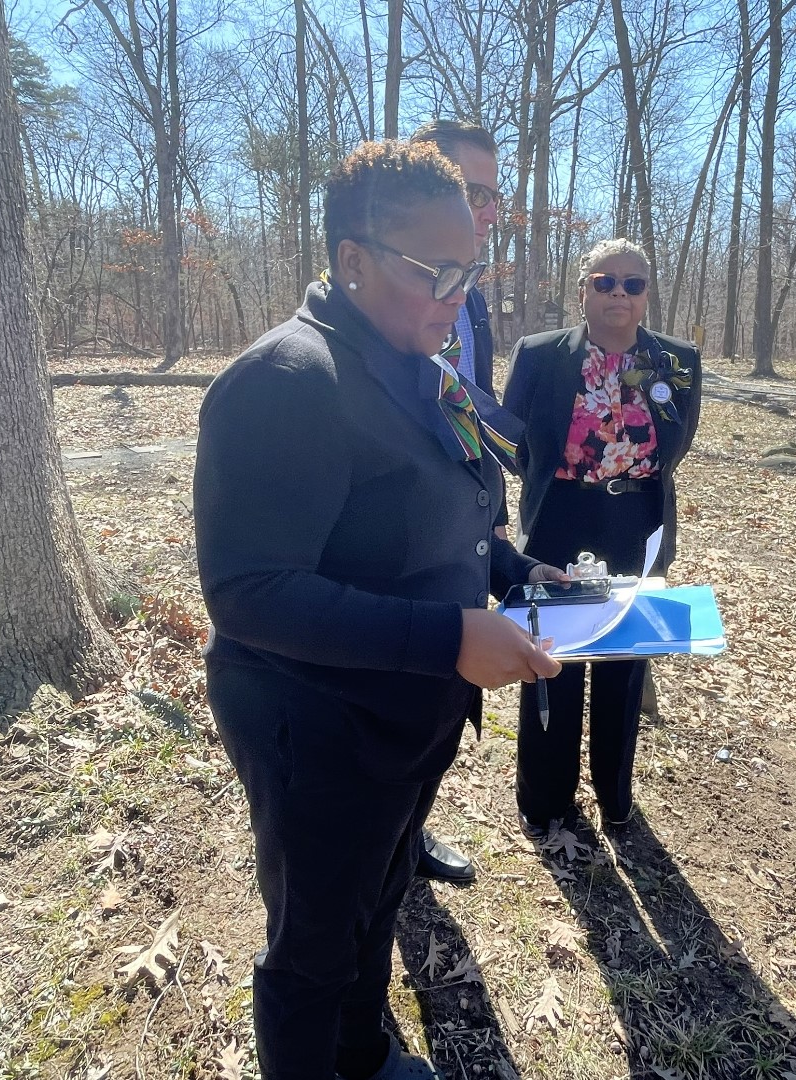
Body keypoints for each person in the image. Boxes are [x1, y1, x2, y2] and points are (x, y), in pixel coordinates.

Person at [194, 140, 563, 1080]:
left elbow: (442, 524)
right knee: (314, 945)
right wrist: (450, 636)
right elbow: (248, 593)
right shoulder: (289, 380)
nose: (456, 290)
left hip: (408, 712)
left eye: (470, 266)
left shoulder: (419, 365)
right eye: (431, 268)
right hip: (315, 725)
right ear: (351, 260)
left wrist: (527, 578)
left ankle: (363, 1054)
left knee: (380, 894)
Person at [501, 238, 702, 833]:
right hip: (559, 522)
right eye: (605, 281)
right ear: (583, 289)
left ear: (646, 296)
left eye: (633, 284)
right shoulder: (540, 354)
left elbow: (678, 443)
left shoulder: (676, 361)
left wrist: (624, 479)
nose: (619, 292)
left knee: (624, 661)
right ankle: (545, 801)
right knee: (549, 663)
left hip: (635, 524)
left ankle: (615, 796)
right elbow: (514, 441)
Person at [407, 118, 503, 886]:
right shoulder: (391, 288)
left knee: (438, 716)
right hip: (399, 555)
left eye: (493, 196)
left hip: (463, 532)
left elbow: (472, 400)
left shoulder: (471, 302)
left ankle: (410, 828)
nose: (487, 209)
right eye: (471, 190)